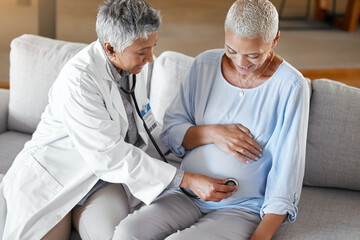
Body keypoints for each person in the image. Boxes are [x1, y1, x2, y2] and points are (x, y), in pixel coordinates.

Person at [0, 0, 238, 239]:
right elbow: (111, 155)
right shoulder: (79, 81)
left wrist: (203, 140)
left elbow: (147, 129)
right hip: (56, 180)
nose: (151, 59)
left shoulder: (131, 71)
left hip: (102, 182)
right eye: (142, 52)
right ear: (110, 47)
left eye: (152, 47)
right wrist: (186, 180)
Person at [114, 0, 311, 239]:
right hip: (186, 194)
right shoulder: (205, 64)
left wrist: (261, 236)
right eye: (231, 50)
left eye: (253, 55)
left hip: (240, 209)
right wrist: (213, 133)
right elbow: (172, 131)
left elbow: (287, 173)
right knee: (127, 233)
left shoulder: (291, 86)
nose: (241, 63)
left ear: (275, 40)